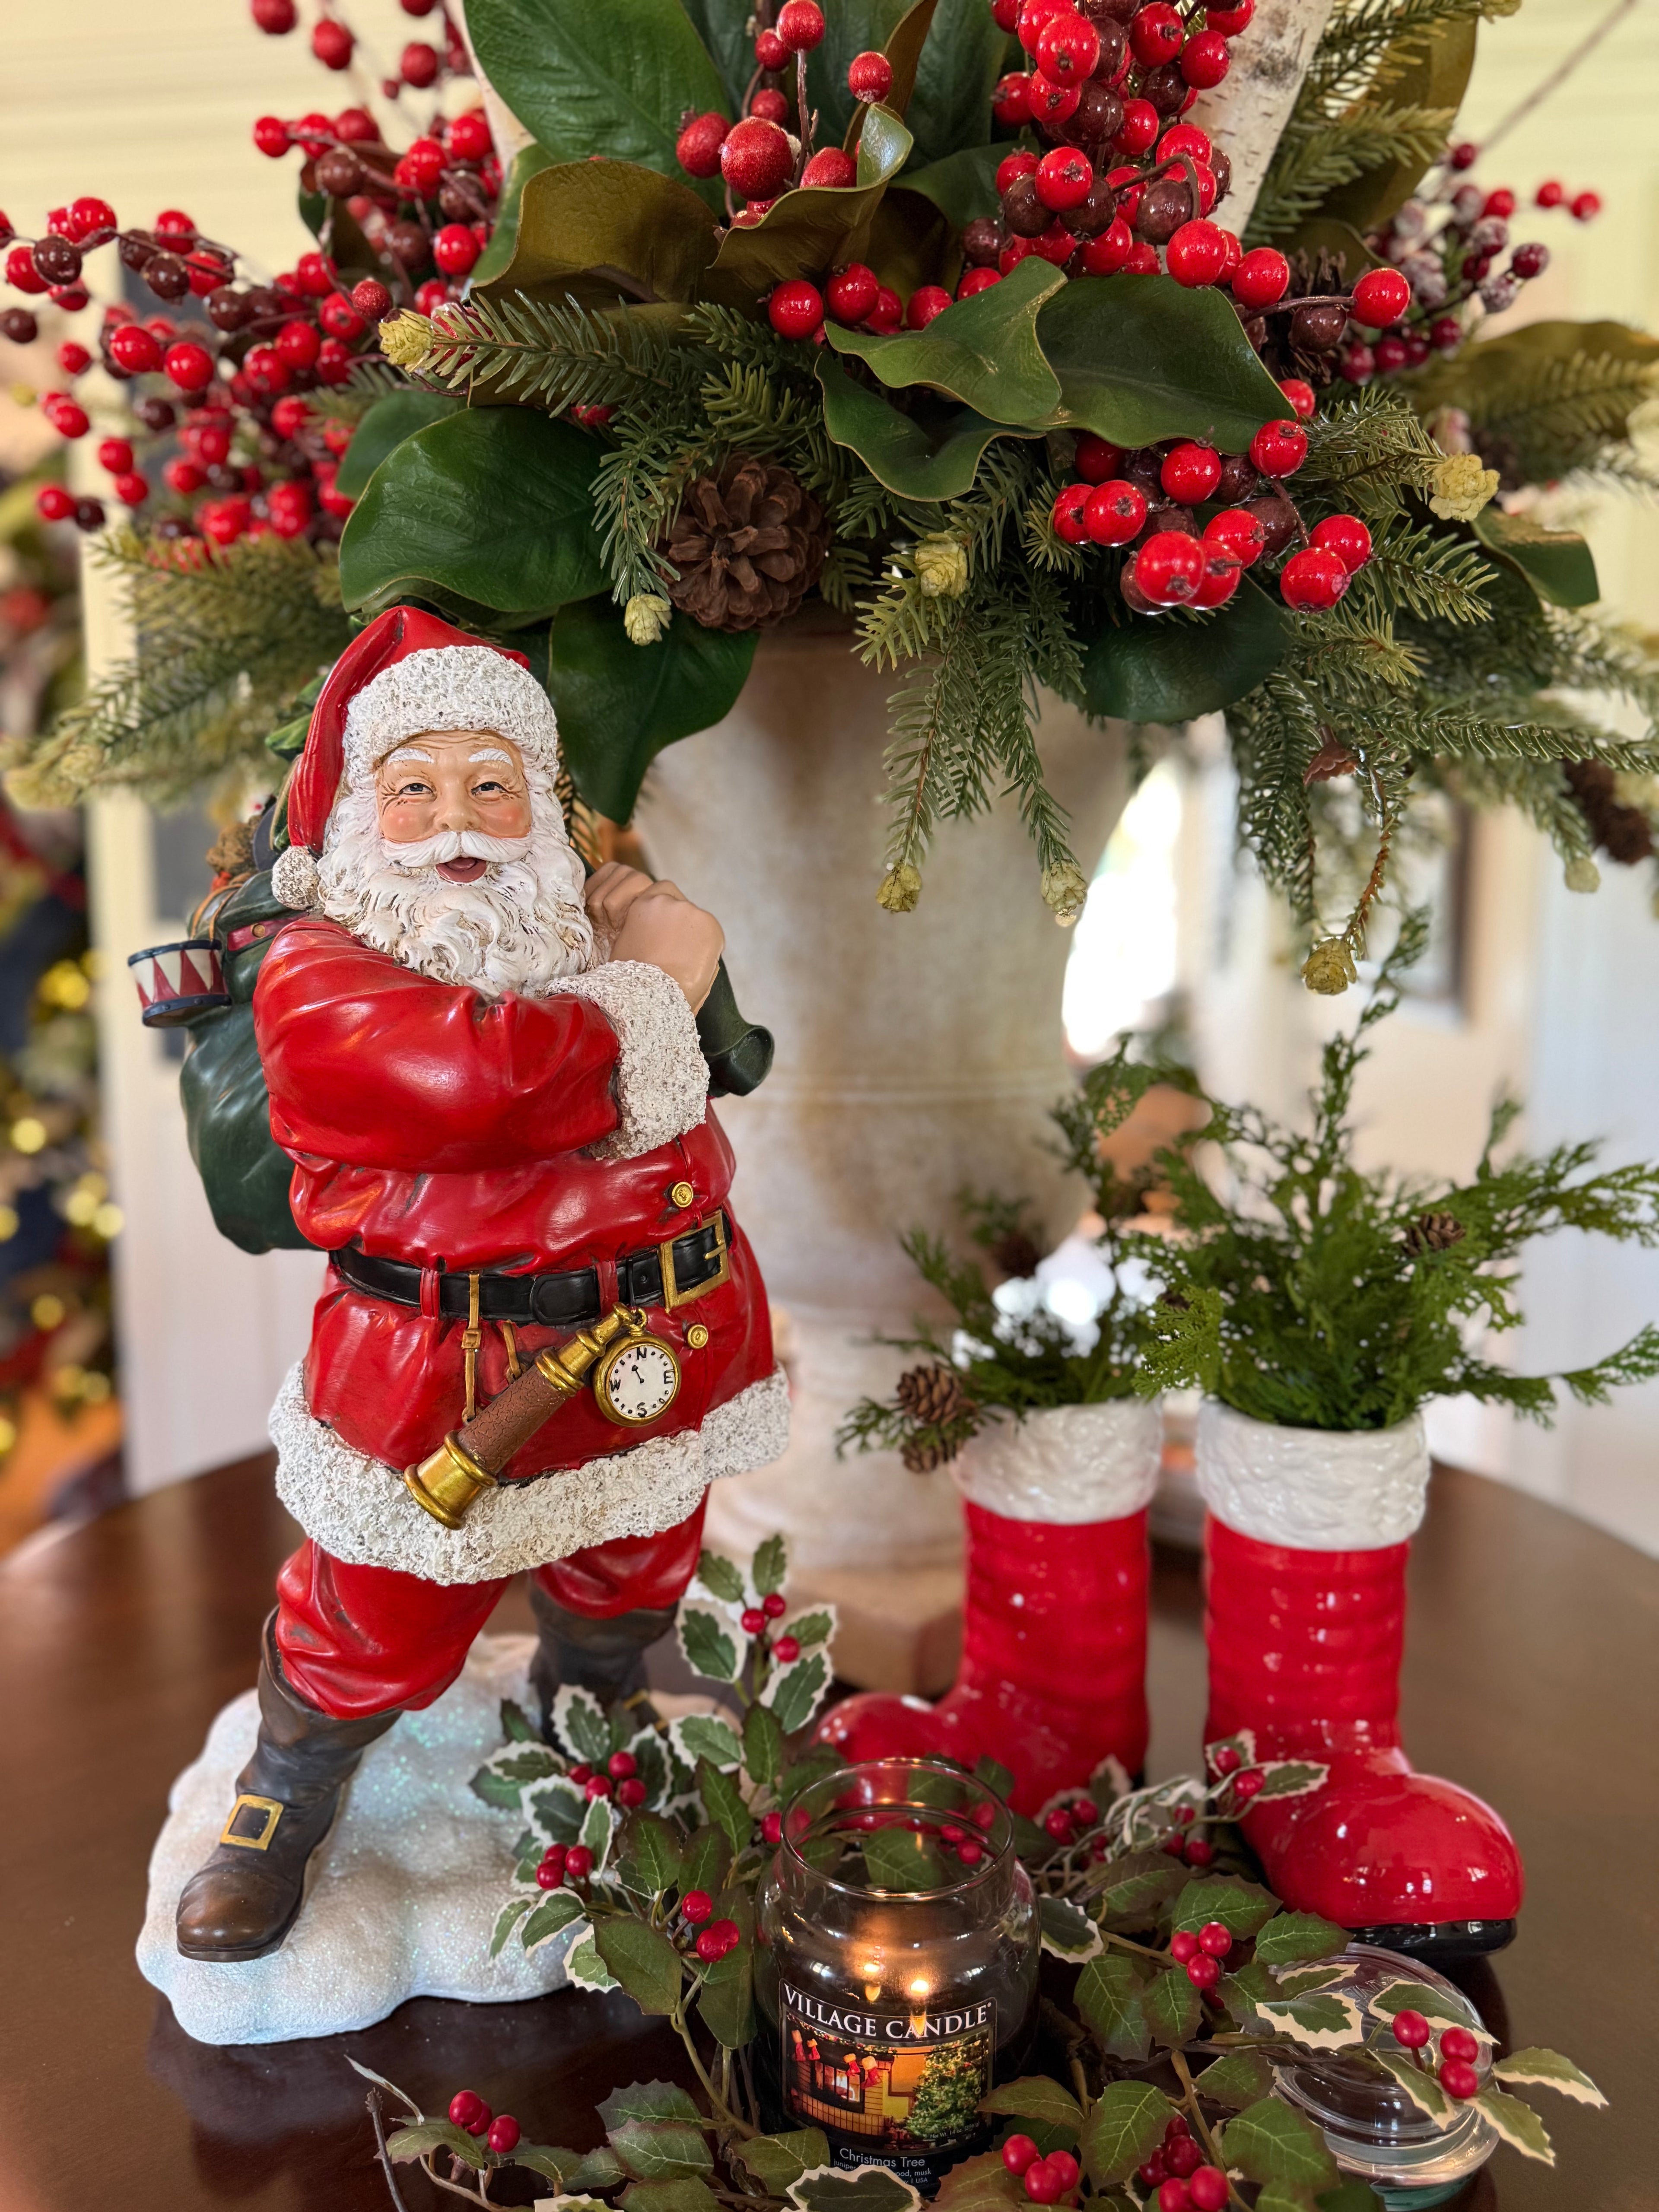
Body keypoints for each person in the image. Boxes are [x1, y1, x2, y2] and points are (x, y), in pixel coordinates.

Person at [174, 605, 787, 1963]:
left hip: (659, 1335)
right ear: (355, 819)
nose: (459, 822)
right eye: (417, 791)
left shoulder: (581, 924)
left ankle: (599, 1713)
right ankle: (289, 1787)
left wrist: (644, 942)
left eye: (492, 786)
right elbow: (477, 1082)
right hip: (445, 1374)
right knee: (382, 1606)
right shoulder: (322, 971)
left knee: (637, 1565)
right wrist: (657, 980)